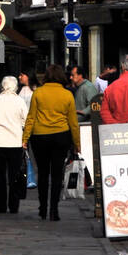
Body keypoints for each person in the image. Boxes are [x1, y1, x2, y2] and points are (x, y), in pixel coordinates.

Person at [22, 64, 80, 220]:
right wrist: (77, 143)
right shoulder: (67, 94)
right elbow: (73, 122)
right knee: (56, 174)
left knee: (43, 173)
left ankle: (43, 207)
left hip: (40, 136)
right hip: (61, 136)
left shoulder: (38, 93)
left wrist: (25, 138)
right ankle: (54, 210)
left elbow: (31, 117)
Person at [0, 75, 28, 214]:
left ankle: (1, 206)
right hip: (15, 142)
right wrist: (25, 139)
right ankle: (14, 206)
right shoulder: (20, 101)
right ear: (15, 87)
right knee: (14, 176)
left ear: (3, 86)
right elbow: (25, 121)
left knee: (0, 176)